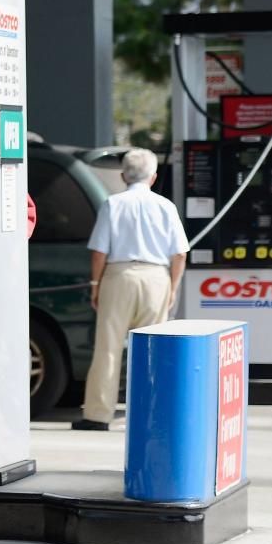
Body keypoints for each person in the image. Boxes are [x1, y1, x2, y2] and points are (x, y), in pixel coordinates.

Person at [72, 147, 187, 431]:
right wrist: (172, 288)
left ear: (123, 176)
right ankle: (152, 414)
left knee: (108, 347)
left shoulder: (113, 204)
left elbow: (99, 251)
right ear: (154, 176)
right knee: (153, 350)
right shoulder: (165, 206)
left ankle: (98, 415)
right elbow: (180, 253)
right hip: (156, 277)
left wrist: (96, 285)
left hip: (119, 275)